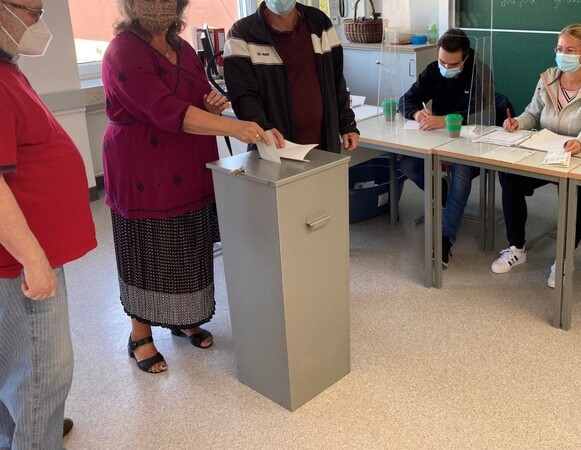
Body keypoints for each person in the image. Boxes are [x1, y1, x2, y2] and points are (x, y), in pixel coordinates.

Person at [103, 0, 274, 374]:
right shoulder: (123, 51)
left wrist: (212, 107)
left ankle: (184, 317)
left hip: (189, 163)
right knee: (147, 250)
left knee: (187, 244)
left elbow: (195, 98)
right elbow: (162, 108)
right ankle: (140, 333)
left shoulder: (182, 47)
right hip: (142, 171)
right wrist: (234, 126)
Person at [0, 0, 97, 446]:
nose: (40, 23)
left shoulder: (8, 68)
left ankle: (26, 430)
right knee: (43, 373)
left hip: (24, 254)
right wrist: (34, 261)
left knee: (15, 365)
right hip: (19, 262)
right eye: (34, 12)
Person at [491, 23, 581, 289]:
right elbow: (532, 113)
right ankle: (516, 248)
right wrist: (517, 123)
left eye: (570, 49)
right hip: (546, 153)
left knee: (575, 195)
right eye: (559, 49)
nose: (563, 55)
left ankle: (565, 260)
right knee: (511, 179)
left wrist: (580, 142)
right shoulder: (548, 77)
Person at [398, 28, 493, 267]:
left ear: (466, 57)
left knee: (461, 173)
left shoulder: (480, 72)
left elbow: (487, 113)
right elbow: (405, 100)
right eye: (442, 61)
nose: (446, 68)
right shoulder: (433, 70)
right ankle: (443, 193)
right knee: (407, 163)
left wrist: (448, 118)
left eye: (452, 64)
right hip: (437, 140)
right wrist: (417, 112)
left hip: (471, 142)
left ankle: (444, 239)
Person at [223, 0, 359, 153]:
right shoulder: (242, 33)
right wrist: (263, 128)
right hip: (274, 148)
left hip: (324, 146)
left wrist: (347, 124)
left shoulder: (319, 22)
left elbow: (336, 81)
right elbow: (243, 96)